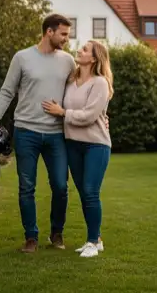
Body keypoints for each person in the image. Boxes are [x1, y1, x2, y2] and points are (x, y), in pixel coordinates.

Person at [0, 14, 76, 253]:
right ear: (49, 32)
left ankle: (57, 233)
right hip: (26, 132)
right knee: (26, 186)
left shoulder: (68, 61)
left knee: (60, 185)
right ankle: (31, 237)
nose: (67, 39)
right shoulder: (22, 58)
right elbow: (7, 91)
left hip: (56, 134)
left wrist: (98, 115)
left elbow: (79, 92)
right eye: (64, 34)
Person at [42, 40, 113, 258]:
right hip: (72, 143)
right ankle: (97, 238)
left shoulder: (100, 83)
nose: (79, 51)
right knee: (84, 193)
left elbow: (90, 116)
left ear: (93, 58)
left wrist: (62, 112)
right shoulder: (71, 81)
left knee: (91, 191)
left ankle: (92, 242)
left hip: (96, 144)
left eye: (84, 49)